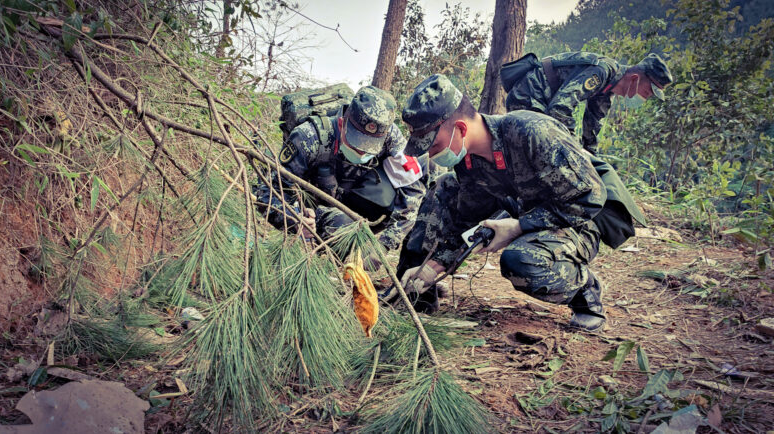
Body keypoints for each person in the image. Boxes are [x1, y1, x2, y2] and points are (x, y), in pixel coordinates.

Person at [396, 74, 643, 331]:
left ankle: (585, 291)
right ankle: (416, 292)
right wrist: (433, 267)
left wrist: (519, 227)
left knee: (521, 261)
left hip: (579, 221)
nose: (432, 155)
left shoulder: (532, 132)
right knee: (444, 186)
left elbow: (589, 198)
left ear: (460, 129)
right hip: (524, 212)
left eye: (434, 145)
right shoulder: (469, 162)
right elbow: (466, 220)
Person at [255, 86, 425, 255]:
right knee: (341, 222)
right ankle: (328, 258)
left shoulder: (391, 136)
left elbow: (413, 190)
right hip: (317, 208)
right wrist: (296, 220)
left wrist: (385, 244)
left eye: (370, 148)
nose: (361, 152)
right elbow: (267, 194)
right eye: (356, 142)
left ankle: (359, 243)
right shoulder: (307, 137)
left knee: (425, 173)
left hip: (358, 201)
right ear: (342, 123)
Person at [503, 52, 673, 154]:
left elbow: (590, 132)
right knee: (539, 150)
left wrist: (592, 160)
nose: (645, 97)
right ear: (635, 78)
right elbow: (559, 108)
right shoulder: (602, 71)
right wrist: (574, 149)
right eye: (647, 91)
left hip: (542, 102)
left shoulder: (606, 93)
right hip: (529, 95)